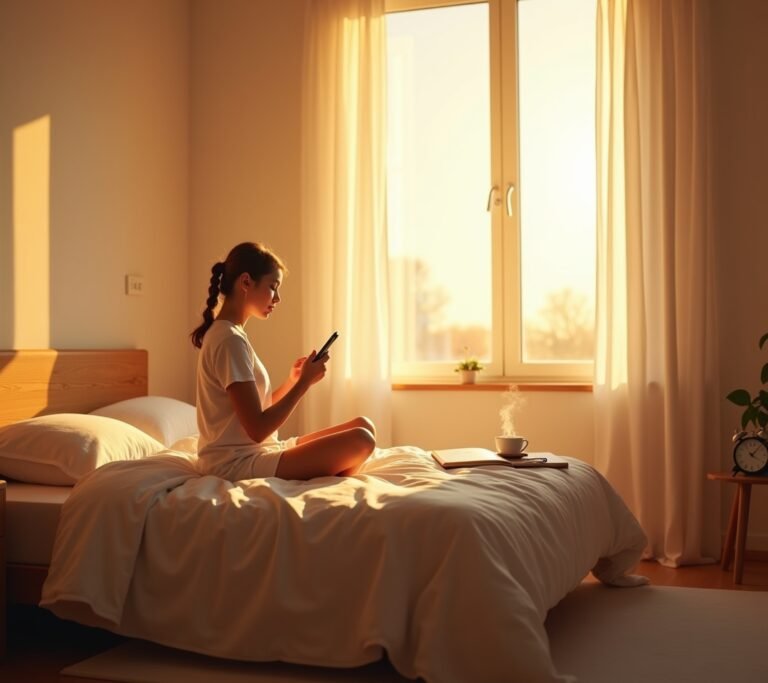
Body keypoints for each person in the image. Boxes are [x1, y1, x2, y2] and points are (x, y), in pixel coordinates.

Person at [190, 241, 376, 481]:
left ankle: (328, 473)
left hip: (256, 450)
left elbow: (257, 411)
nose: (277, 298)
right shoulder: (228, 340)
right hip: (235, 463)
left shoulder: (231, 335)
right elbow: (257, 429)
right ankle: (330, 478)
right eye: (272, 287)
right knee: (362, 440)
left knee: (364, 425)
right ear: (246, 282)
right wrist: (303, 384)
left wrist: (292, 381)